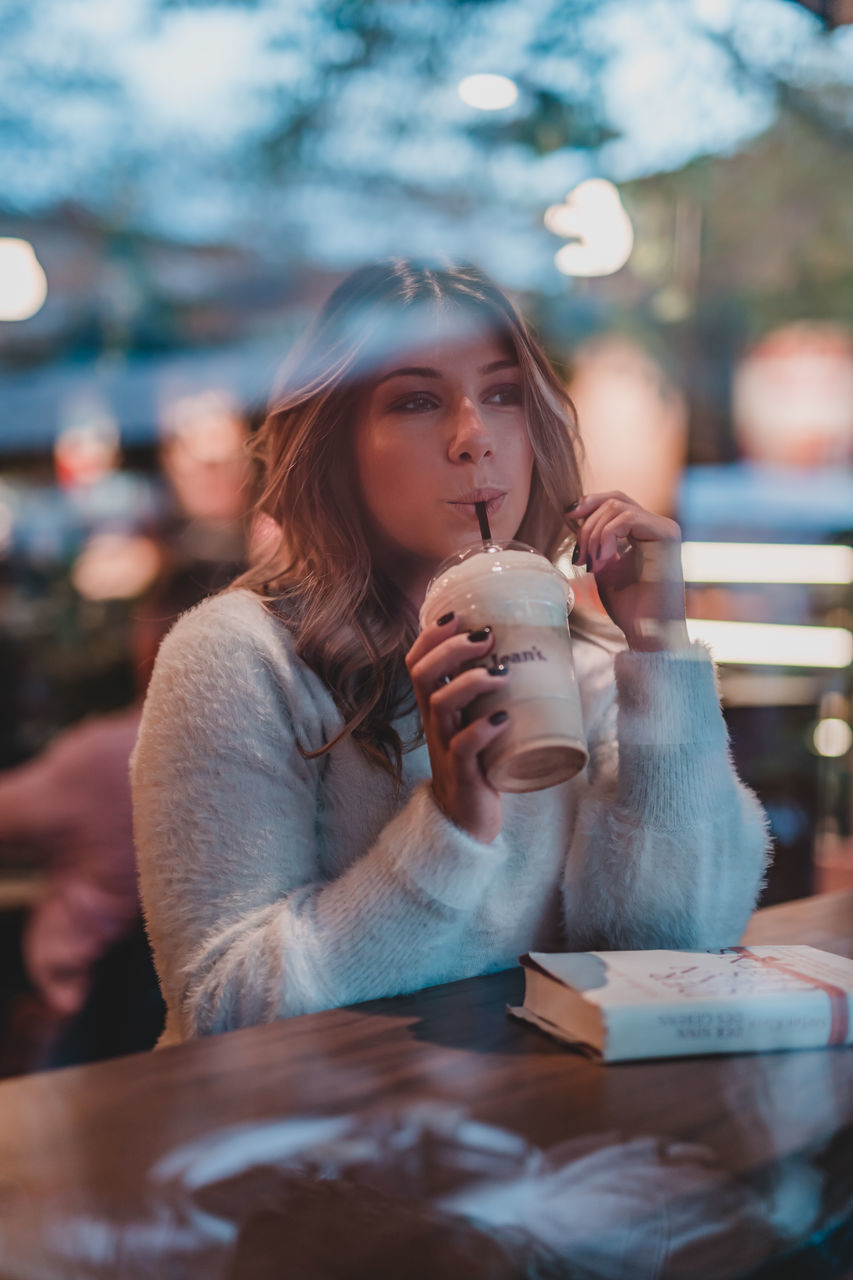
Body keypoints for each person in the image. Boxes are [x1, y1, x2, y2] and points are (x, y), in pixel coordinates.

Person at [131, 260, 771, 1047]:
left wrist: (660, 651)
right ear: (335, 443)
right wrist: (449, 826)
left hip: (530, 1132)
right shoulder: (237, 658)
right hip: (310, 1149)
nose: (474, 438)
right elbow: (222, 1007)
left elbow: (677, 940)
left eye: (502, 394)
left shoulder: (583, 659)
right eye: (415, 401)